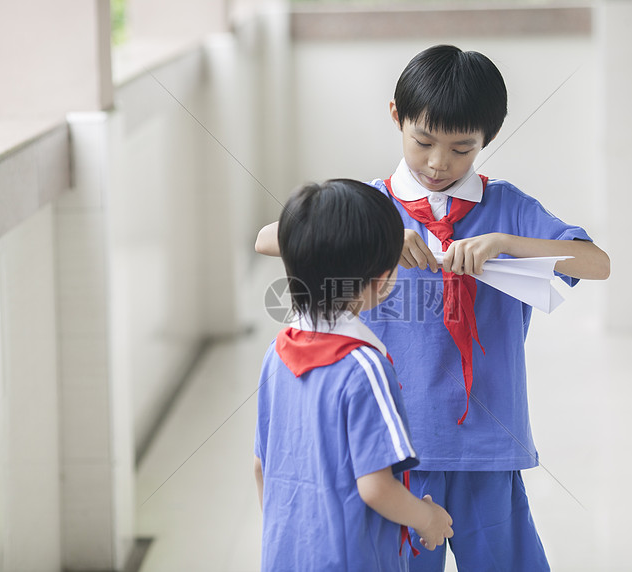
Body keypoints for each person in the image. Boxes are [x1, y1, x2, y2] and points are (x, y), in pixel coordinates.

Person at [255, 45, 610, 571]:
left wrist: (506, 243)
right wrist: (380, 238)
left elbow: (595, 263)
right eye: (423, 142)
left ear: (487, 138)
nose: (439, 162)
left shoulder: (506, 206)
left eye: (462, 149)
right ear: (396, 115)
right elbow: (268, 238)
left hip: (487, 444)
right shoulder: (371, 207)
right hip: (397, 449)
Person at [254, 179, 454, 571]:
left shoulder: (276, 353)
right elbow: (376, 487)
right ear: (382, 280)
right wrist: (427, 518)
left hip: (285, 555)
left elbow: (262, 467)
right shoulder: (365, 367)